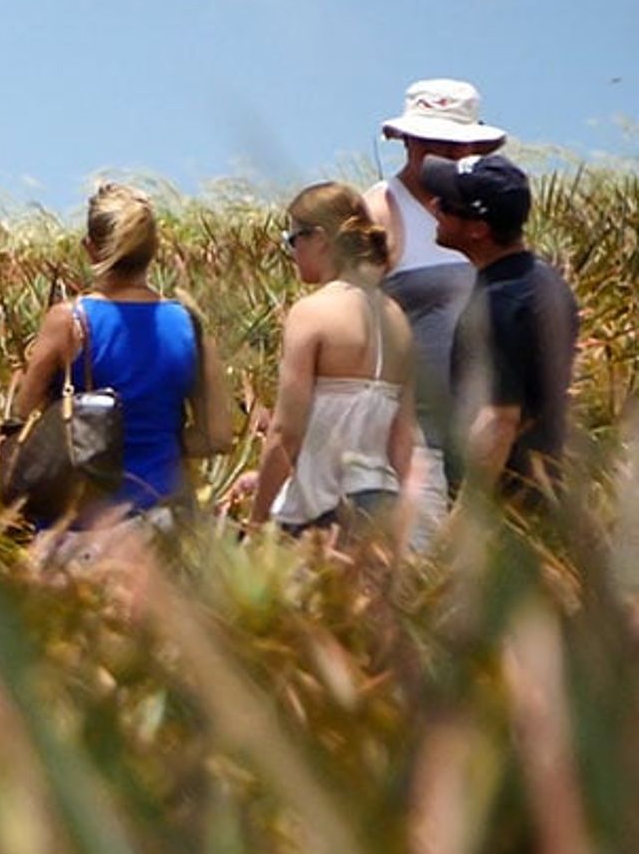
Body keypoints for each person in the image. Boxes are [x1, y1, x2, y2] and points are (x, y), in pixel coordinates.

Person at [6, 182, 224, 535]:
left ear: (90, 250)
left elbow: (21, 420)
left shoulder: (68, 322)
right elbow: (217, 436)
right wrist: (161, 441)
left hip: (78, 526)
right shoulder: (190, 324)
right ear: (153, 249)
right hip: (162, 522)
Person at [363, 80, 506, 545]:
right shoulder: (381, 207)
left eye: (448, 142)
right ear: (405, 140)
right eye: (425, 141)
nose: (435, 152)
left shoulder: (487, 206)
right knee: (421, 571)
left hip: (492, 423)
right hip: (415, 432)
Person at [248, 183, 417, 535]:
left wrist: (257, 519)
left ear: (321, 238)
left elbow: (286, 433)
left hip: (320, 510)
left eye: (293, 239)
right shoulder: (397, 318)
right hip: (381, 506)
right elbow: (402, 438)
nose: (291, 251)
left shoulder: (313, 313)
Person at [422, 153, 579, 507]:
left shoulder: (499, 302)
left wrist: (465, 523)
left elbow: (498, 421)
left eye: (446, 204)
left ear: (479, 228)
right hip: (541, 498)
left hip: (503, 513)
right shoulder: (542, 280)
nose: (434, 206)